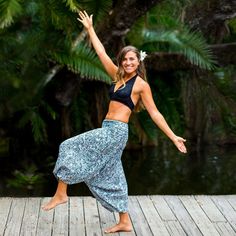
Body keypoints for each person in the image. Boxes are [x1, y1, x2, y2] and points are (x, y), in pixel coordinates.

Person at [42, 10, 187, 234]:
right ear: (121, 62)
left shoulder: (141, 85)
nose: (128, 62)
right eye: (125, 59)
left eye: (132, 59)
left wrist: (172, 136)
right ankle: (125, 221)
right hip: (107, 128)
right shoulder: (117, 77)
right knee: (112, 173)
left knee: (68, 145)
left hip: (116, 132)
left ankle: (62, 193)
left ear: (138, 62)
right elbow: (101, 53)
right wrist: (90, 29)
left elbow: (155, 113)